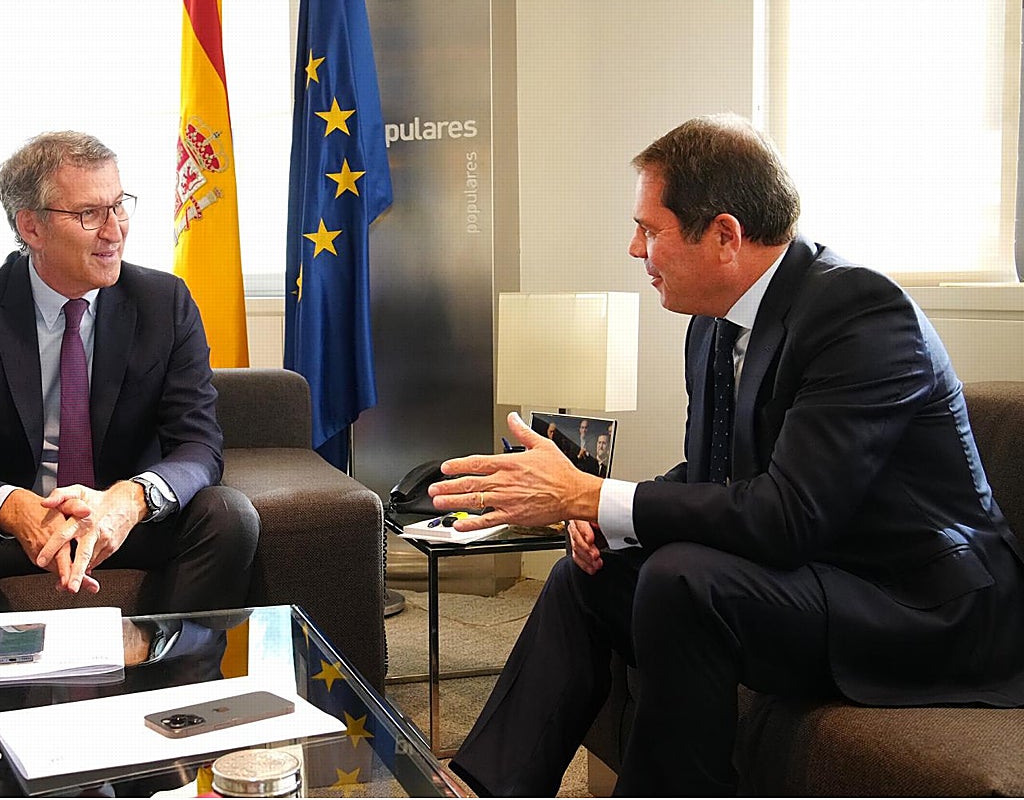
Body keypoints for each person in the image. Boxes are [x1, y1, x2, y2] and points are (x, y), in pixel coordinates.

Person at [429, 114, 1024, 796]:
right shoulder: (713, 323)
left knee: (683, 581)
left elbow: (787, 515)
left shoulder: (859, 313)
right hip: (819, 574)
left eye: (650, 230)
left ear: (724, 235)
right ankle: (481, 787)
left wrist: (588, 493)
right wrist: (602, 517)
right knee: (587, 574)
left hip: (920, 606)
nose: (634, 248)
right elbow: (712, 475)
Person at [0, 131, 260, 635]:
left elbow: (199, 443)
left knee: (229, 516)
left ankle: (169, 673)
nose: (114, 231)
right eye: (89, 214)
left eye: (119, 206)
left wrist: (129, 501)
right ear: (31, 226)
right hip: (11, 530)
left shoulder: (165, 303)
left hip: (124, 523)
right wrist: (13, 507)